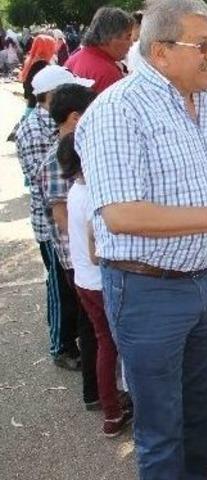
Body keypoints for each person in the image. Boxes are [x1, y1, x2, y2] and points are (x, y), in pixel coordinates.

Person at [75, 0, 207, 476]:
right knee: (163, 432)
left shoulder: (202, 99)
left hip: (203, 282)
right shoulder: (117, 111)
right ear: (160, 52)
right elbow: (120, 215)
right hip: (148, 290)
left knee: (200, 418)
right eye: (202, 44)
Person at [16, 66, 94, 372]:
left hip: (69, 230)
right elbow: (51, 186)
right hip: (56, 230)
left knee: (74, 297)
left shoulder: (48, 124)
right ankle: (61, 345)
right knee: (60, 291)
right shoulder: (36, 131)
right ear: (51, 96)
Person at [61, 130, 133, 437]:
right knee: (114, 345)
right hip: (100, 282)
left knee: (103, 341)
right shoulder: (94, 196)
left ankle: (112, 405)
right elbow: (96, 254)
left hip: (82, 281)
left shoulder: (75, 190)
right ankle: (115, 411)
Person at [41, 83, 102, 414]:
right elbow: (62, 214)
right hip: (77, 257)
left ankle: (100, 391)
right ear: (76, 117)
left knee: (93, 327)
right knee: (91, 329)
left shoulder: (75, 146)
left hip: (83, 255)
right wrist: (91, 243)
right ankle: (95, 393)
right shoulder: (58, 158)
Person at [65, 7, 134, 94]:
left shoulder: (73, 58)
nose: (131, 43)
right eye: (128, 37)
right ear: (110, 37)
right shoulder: (107, 73)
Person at [19, 34, 56, 113]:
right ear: (48, 47)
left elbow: (26, 85)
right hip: (38, 109)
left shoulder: (30, 60)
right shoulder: (42, 65)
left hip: (30, 105)